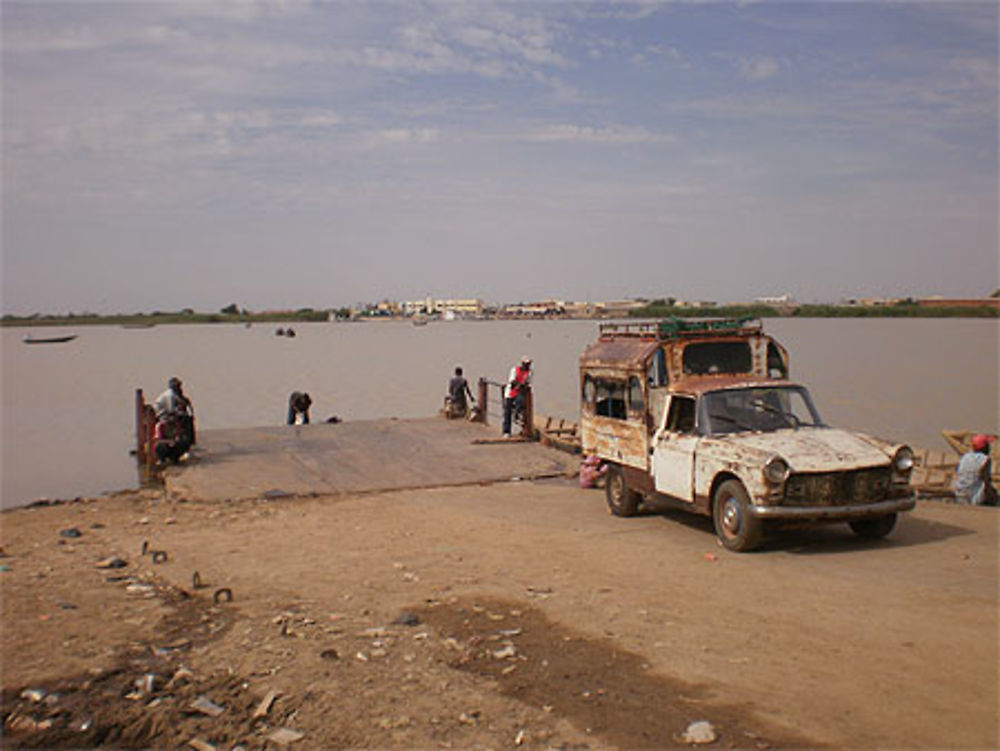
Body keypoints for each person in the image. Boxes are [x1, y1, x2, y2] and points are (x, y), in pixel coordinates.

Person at [954, 434, 997, 506]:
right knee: (992, 494)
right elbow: (986, 480)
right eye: (988, 445)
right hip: (973, 497)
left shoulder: (965, 457)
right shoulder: (985, 459)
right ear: (984, 447)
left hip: (959, 493)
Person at [154, 377, 195, 448]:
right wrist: (181, 413)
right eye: (178, 386)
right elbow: (171, 409)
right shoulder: (169, 395)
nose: (179, 387)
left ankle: (189, 440)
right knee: (185, 420)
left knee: (188, 418)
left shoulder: (176, 394)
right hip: (162, 415)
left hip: (169, 413)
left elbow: (184, 403)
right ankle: (185, 440)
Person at [502, 356, 532, 437]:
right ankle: (506, 431)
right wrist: (519, 385)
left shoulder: (529, 373)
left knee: (521, 401)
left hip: (520, 392)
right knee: (507, 412)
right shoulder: (514, 370)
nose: (528, 366)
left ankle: (516, 415)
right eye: (526, 364)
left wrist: (522, 386)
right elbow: (512, 381)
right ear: (522, 364)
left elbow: (527, 383)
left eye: (529, 364)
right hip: (510, 392)